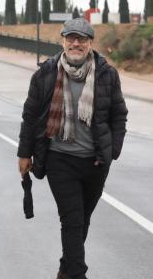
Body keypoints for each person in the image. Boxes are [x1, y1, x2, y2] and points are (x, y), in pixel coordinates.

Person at [17, 18, 128, 279]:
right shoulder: (45, 73)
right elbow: (30, 115)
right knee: (72, 220)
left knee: (82, 220)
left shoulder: (106, 74)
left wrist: (112, 151)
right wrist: (24, 153)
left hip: (95, 162)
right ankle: (78, 274)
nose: (76, 43)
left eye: (82, 38)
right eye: (71, 38)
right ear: (63, 40)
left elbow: (119, 115)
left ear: (90, 43)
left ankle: (66, 270)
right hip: (60, 159)